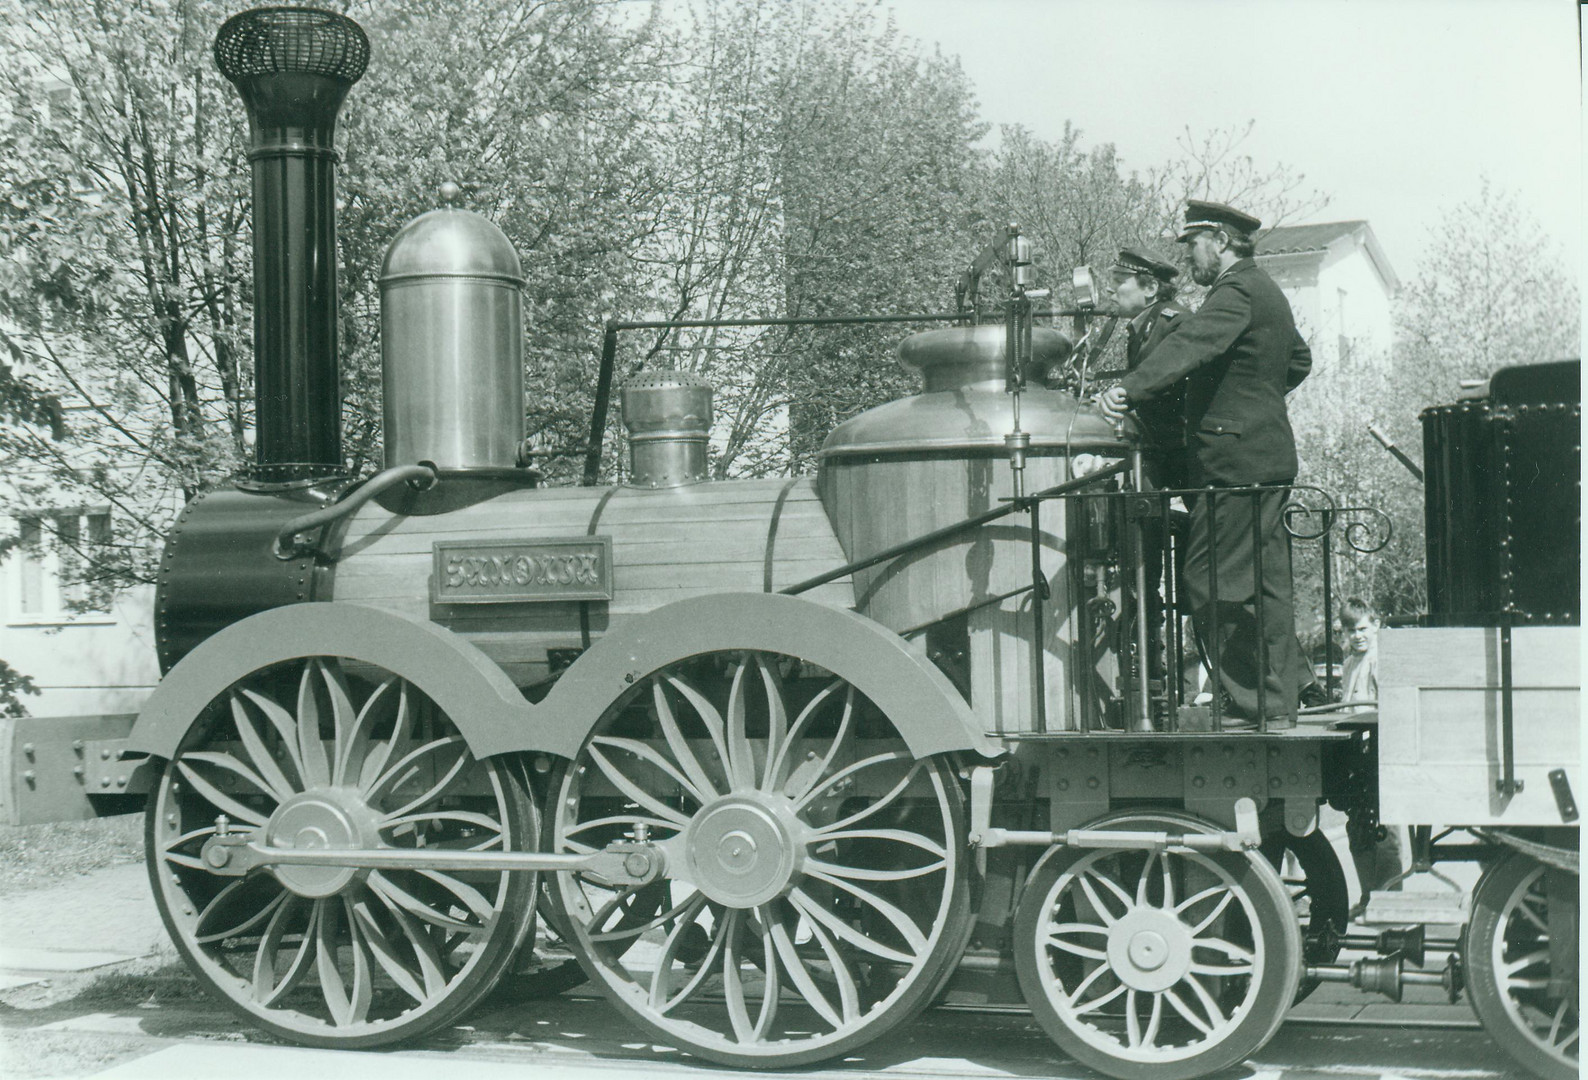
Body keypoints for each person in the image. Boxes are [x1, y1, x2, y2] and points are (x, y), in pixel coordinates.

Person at [1097, 200, 1312, 727]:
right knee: (1265, 585)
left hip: (1234, 462)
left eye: (1192, 243)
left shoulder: (1235, 290)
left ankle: (1253, 704)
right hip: (1263, 454)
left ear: (1218, 238)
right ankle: (1284, 698)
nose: (1188, 256)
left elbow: (1193, 342)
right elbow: (1299, 360)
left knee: (1210, 580)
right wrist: (1253, 401)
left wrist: (1128, 389)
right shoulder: (1267, 291)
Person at [1337, 597, 1380, 706]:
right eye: (1351, 630)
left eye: (1362, 629)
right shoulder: (1348, 664)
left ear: (1375, 625)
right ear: (1344, 630)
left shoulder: (1379, 660)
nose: (1357, 636)